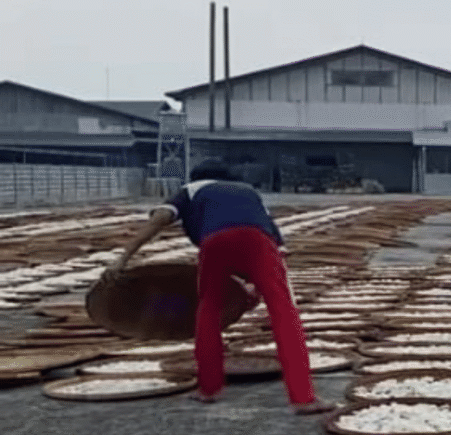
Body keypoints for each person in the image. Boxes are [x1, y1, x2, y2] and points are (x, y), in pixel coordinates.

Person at [103, 158, 334, 415]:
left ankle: (209, 389)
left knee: (209, 310)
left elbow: (159, 218)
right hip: (259, 242)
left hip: (214, 243)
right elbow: (274, 245)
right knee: (284, 313)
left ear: (195, 177)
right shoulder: (248, 192)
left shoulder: (191, 189)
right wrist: (256, 289)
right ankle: (303, 398)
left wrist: (121, 260)